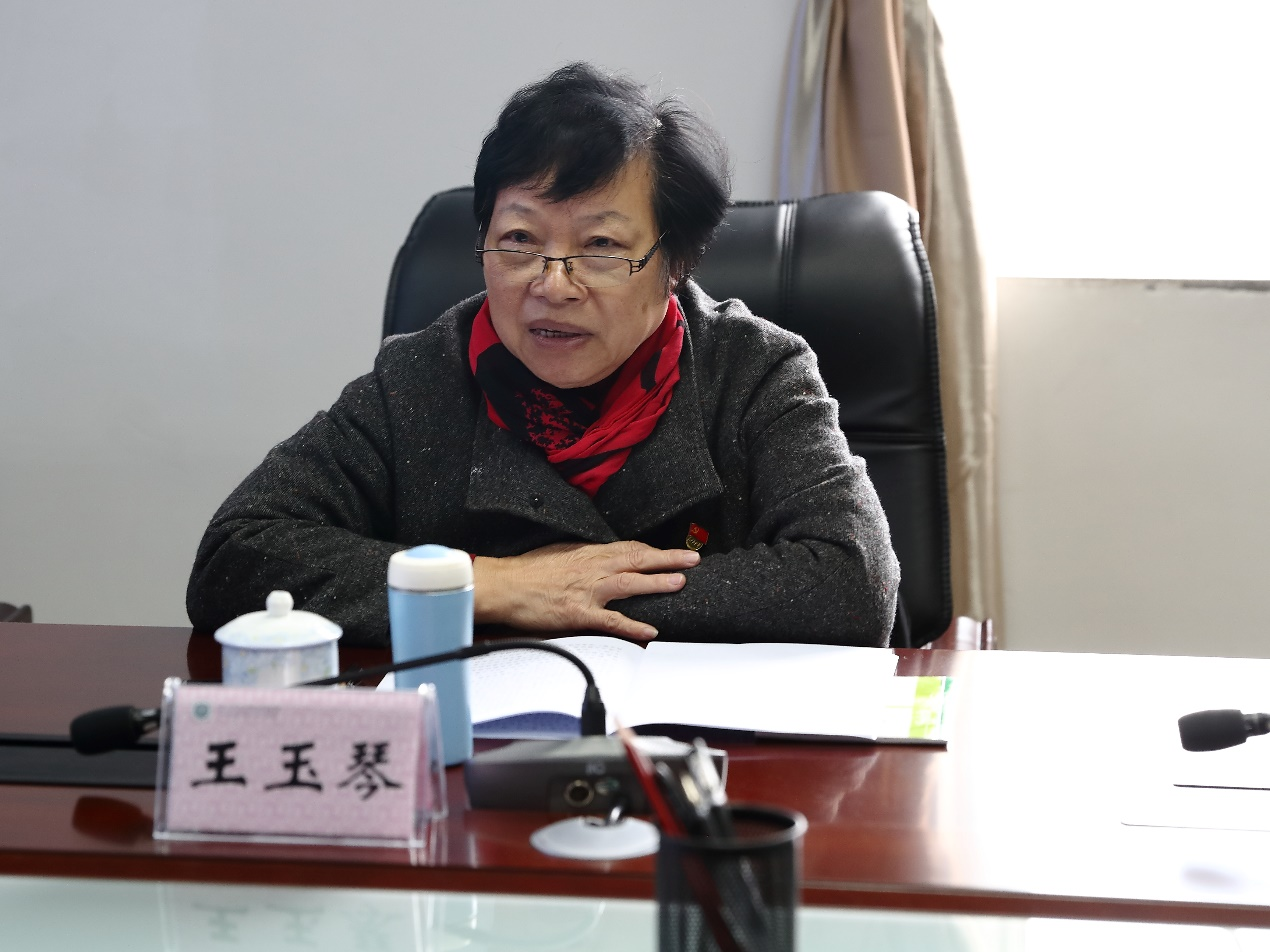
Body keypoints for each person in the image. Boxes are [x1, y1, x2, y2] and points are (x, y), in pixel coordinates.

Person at [187, 62, 900, 648]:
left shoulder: (752, 372)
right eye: (520, 241)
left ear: (675, 261)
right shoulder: (420, 378)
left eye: (601, 246)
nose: (552, 286)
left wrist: (583, 595)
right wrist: (497, 585)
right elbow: (238, 554)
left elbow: (853, 581)